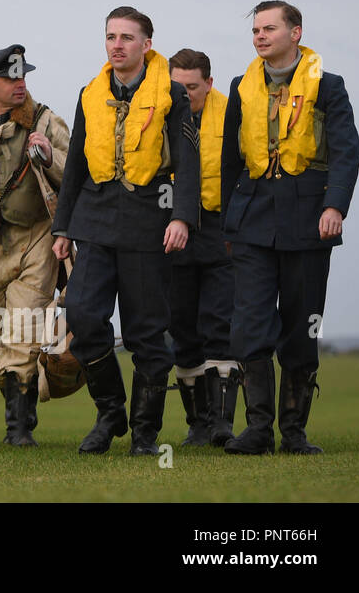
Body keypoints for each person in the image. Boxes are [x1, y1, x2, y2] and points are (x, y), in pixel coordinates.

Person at [51, 6, 200, 456]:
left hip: (148, 223)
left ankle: (145, 434)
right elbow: (75, 161)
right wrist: (62, 226)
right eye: (111, 37)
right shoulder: (89, 93)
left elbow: (189, 163)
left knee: (146, 333)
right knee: (81, 313)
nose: (117, 45)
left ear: (146, 45)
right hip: (94, 221)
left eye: (127, 38)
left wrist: (182, 216)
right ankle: (110, 412)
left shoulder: (172, 93)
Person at [221, 0, 359, 455]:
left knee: (302, 327)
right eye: (256, 29)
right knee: (249, 325)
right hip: (252, 222)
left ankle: (294, 433)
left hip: (309, 221)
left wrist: (334, 206)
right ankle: (257, 430)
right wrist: (227, 222)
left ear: (295, 33)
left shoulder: (330, 86)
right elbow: (229, 162)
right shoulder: (241, 86)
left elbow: (346, 152)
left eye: (269, 28)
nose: (259, 36)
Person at [0, 45, 70, 446]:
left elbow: (77, 173)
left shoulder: (45, 121)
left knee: (22, 332)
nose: (20, 84)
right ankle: (21, 397)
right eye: (11, 78)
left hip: (35, 237)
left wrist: (48, 156)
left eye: (23, 77)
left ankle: (17, 430)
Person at [166, 49, 239, 447]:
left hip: (220, 229)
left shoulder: (233, 113)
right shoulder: (160, 113)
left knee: (220, 326)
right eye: (178, 86)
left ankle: (222, 424)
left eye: (192, 87)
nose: (185, 94)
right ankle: (197, 424)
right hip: (173, 230)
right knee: (183, 330)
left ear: (209, 83)